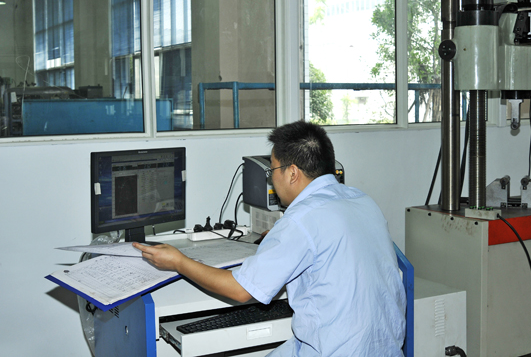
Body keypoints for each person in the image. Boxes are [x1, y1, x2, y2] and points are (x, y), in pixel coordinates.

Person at [134, 120, 406, 356]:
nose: (271, 180)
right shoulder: (362, 201)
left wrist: (179, 262)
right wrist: (279, 239)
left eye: (272, 171)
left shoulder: (300, 221)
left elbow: (240, 291)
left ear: (292, 172)